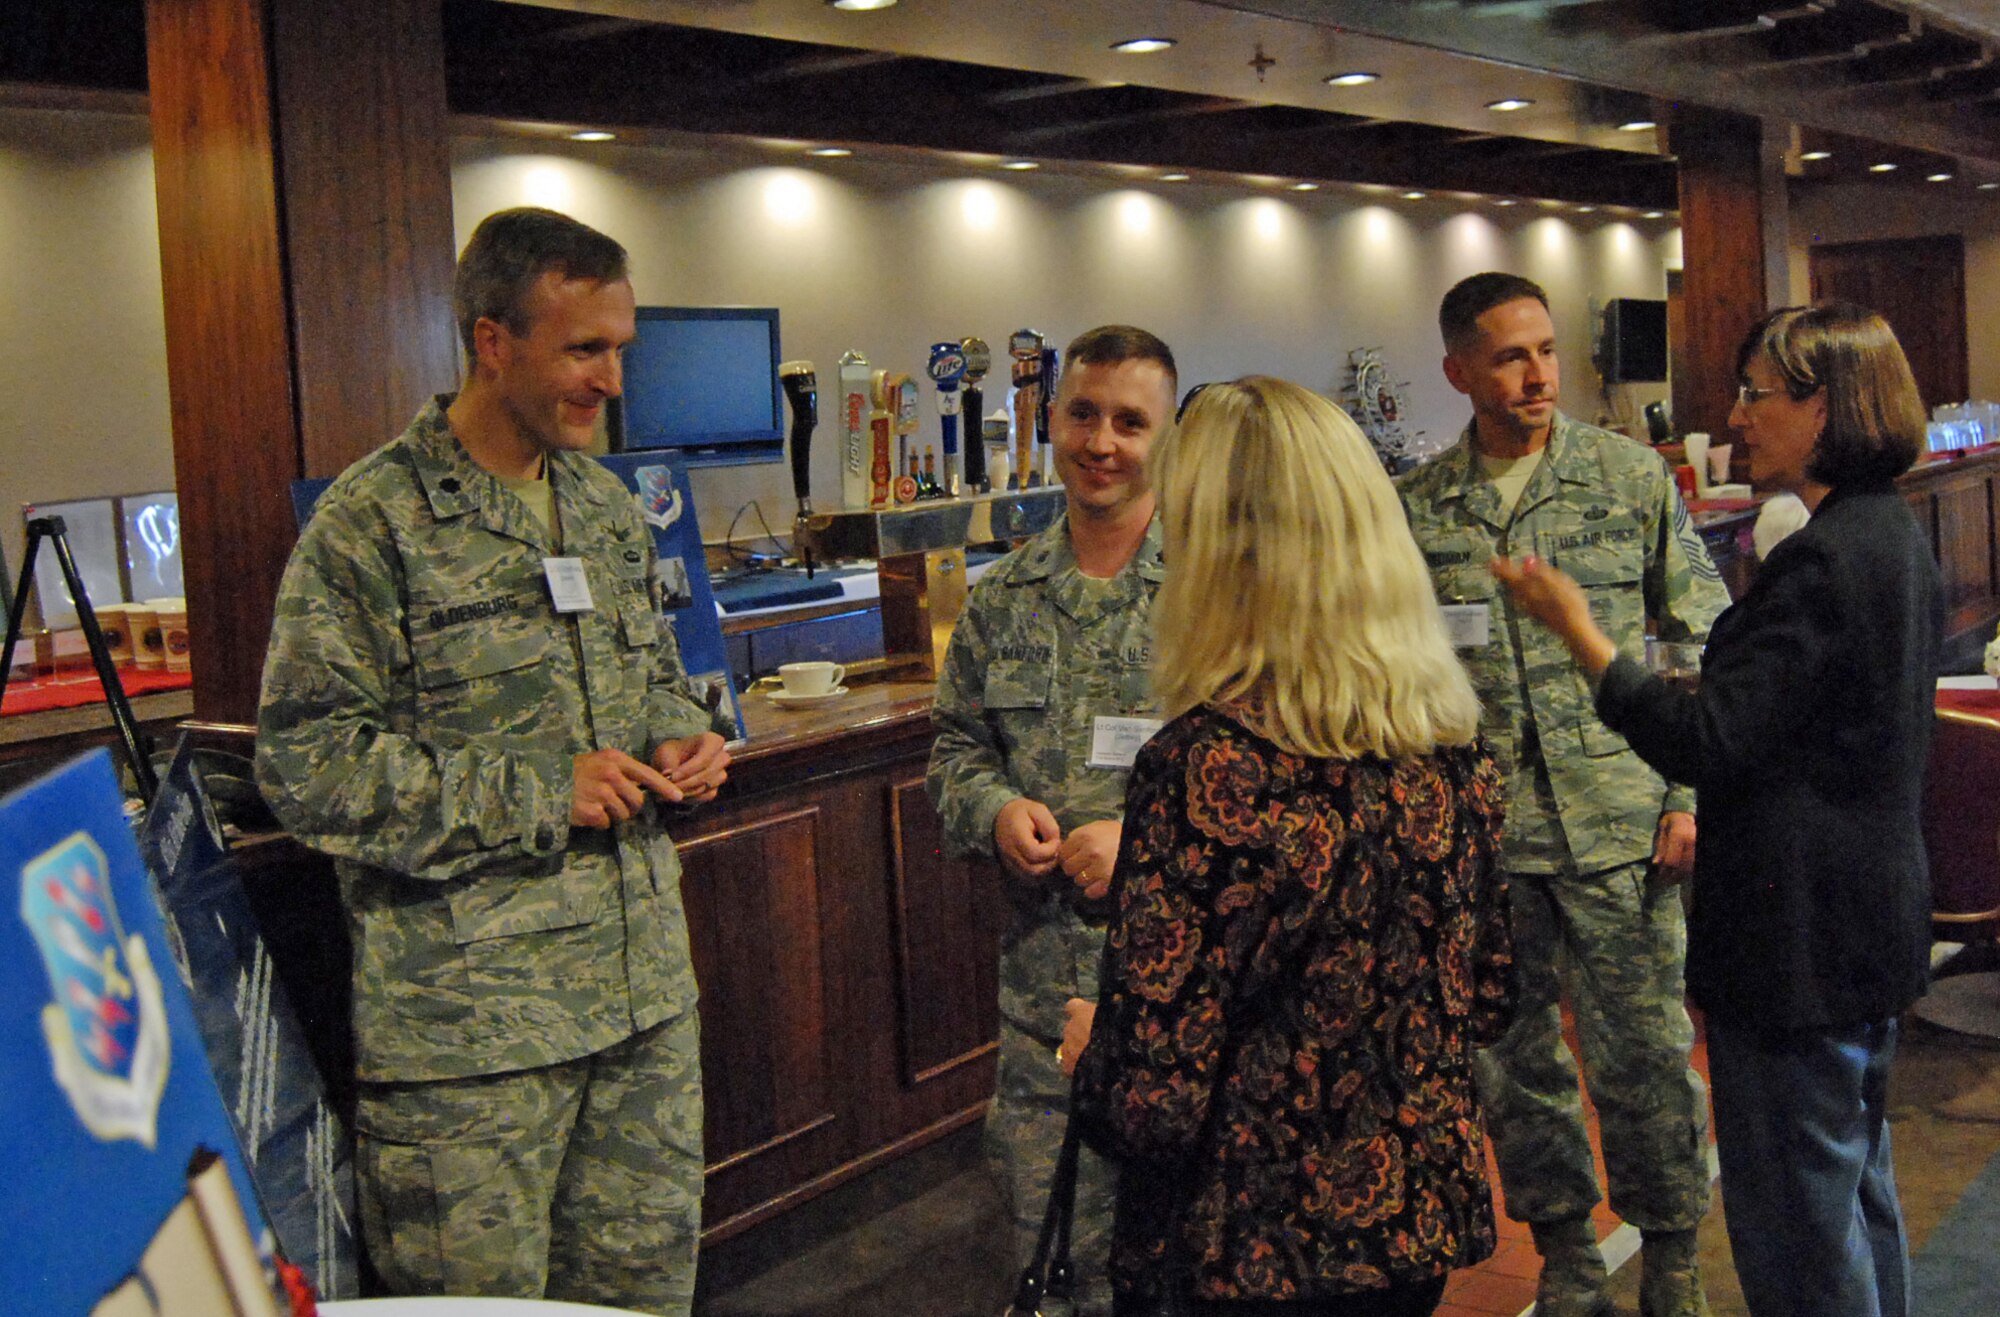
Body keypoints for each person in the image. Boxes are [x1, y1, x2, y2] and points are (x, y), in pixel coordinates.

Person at [256, 207, 729, 1314]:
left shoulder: (604, 506)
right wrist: (542, 792)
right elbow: (307, 764)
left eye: (620, 348)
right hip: (472, 1051)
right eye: (583, 349)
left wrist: (678, 732)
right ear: (492, 341)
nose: (611, 380)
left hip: (641, 1009)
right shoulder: (374, 524)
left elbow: (651, 676)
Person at [1491, 303, 1941, 1317]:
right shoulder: (1883, 532)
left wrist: (1583, 636)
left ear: (1823, 406)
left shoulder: (1825, 558)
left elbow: (1708, 740)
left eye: (1754, 394)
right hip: (1856, 924)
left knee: (1799, 1224)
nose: (1735, 415)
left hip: (1800, 944)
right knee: (1851, 1193)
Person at [1061, 376, 1513, 1317]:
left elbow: (1154, 1101)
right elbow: (1491, 992)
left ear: (1219, 550)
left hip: (1250, 1247)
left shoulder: (1208, 767)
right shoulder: (1454, 747)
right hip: (1413, 1225)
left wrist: (1091, 1049)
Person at [1397, 272, 1729, 1317]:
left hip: (1620, 823)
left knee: (1646, 1058)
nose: (1538, 374)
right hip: (1485, 844)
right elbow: (1397, 677)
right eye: (1509, 356)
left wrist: (1685, 793)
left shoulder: (1626, 477)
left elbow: (1698, 640)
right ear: (1458, 371)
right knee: (1513, 1069)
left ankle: (1670, 1259)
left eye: (1544, 350)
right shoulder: (1415, 511)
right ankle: (1568, 1257)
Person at [927, 324, 1179, 1316]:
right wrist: (993, 811)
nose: (1101, 442)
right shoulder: (1005, 600)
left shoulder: (1218, 592)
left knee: (1174, 1270)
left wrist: (1149, 846)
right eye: (1082, 414)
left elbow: (1285, 789)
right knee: (1050, 1261)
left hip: (1182, 1007)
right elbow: (954, 748)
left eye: (1130, 422)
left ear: (1165, 437)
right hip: (1042, 1002)